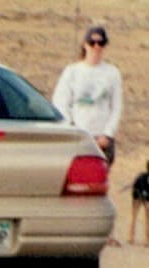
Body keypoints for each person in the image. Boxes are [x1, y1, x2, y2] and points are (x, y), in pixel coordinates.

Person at [52, 25, 121, 166]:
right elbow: (60, 102)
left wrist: (107, 134)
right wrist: (71, 129)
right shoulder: (72, 71)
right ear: (85, 45)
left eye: (100, 43)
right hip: (78, 135)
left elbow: (116, 107)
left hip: (102, 138)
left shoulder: (112, 73)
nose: (96, 47)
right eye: (92, 42)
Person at [132, 163, 149, 244]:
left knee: (147, 217)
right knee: (134, 216)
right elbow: (143, 190)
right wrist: (146, 202)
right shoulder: (142, 178)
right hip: (137, 194)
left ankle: (147, 239)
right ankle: (131, 236)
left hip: (146, 196)